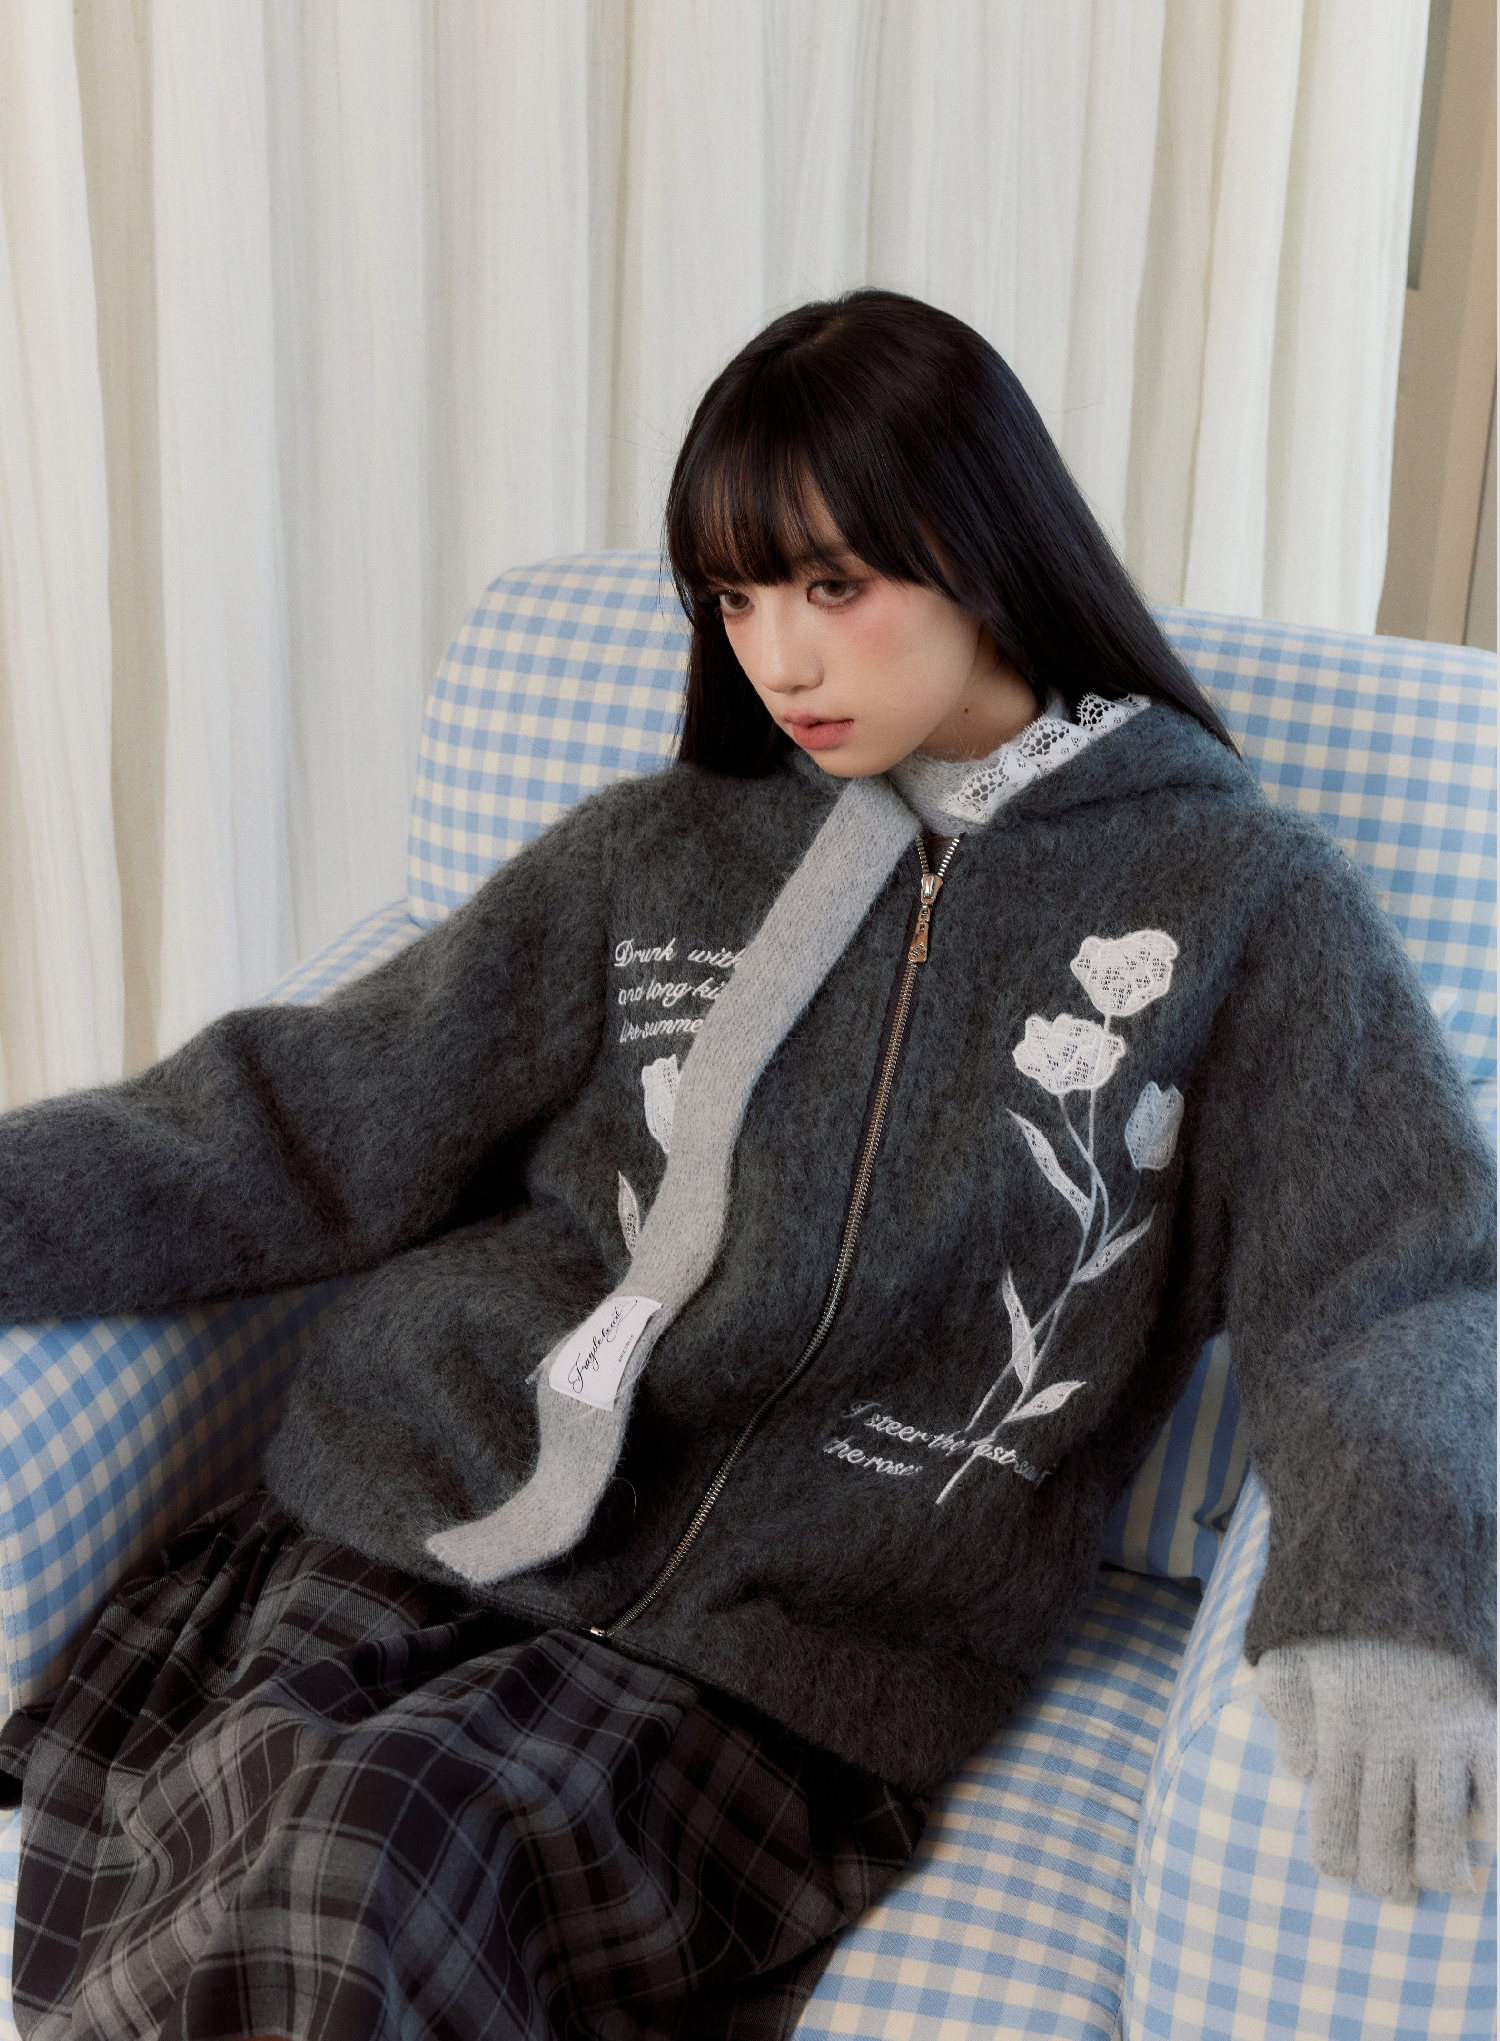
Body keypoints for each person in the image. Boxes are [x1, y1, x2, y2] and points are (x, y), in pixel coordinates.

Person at [0, 289, 1493, 2041]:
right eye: (734, 596)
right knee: (276, 1842)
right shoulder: (654, 849)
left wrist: (1388, 1591)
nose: (778, 657)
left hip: (785, 1645)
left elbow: (1392, 1271)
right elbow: (309, 1114)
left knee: (371, 1864)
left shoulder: (1246, 907)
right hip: (416, 1499)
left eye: (831, 586)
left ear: (988, 548)